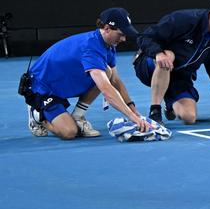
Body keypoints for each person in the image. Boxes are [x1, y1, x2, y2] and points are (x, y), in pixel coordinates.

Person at [23, 8, 146, 140]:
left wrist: (132, 108)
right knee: (69, 132)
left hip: (61, 82)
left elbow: (115, 80)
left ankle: (77, 116)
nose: (123, 39)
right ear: (106, 28)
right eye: (121, 34)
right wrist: (132, 117)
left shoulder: (108, 44)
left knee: (106, 71)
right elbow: (106, 90)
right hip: (41, 88)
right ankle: (37, 116)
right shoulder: (91, 49)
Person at [134, 0, 210, 125]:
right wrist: (158, 53)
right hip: (149, 66)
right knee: (169, 55)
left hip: (179, 77)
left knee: (189, 117)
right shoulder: (184, 19)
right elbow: (144, 37)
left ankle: (169, 101)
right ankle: (155, 111)